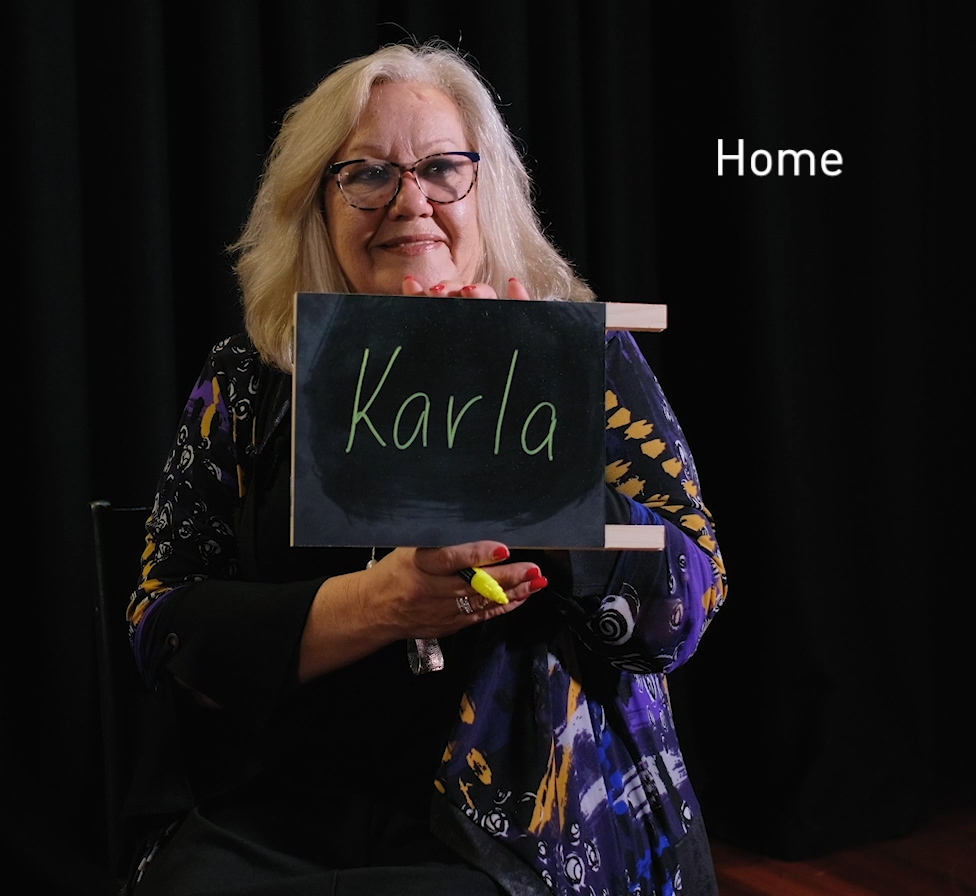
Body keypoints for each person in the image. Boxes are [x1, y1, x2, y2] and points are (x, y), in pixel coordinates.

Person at [123, 41, 728, 896]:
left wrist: (529, 458)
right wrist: (377, 606)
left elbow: (686, 608)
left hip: (522, 828)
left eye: (443, 168)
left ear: (487, 194)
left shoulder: (580, 353)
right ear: (316, 206)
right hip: (279, 807)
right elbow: (164, 621)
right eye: (367, 174)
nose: (411, 202)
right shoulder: (250, 381)